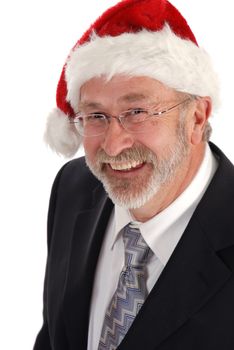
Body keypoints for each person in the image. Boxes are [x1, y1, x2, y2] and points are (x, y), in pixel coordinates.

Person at [33, 0, 234, 349]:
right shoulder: (73, 188)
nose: (112, 146)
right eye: (95, 116)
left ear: (197, 118)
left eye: (137, 111)